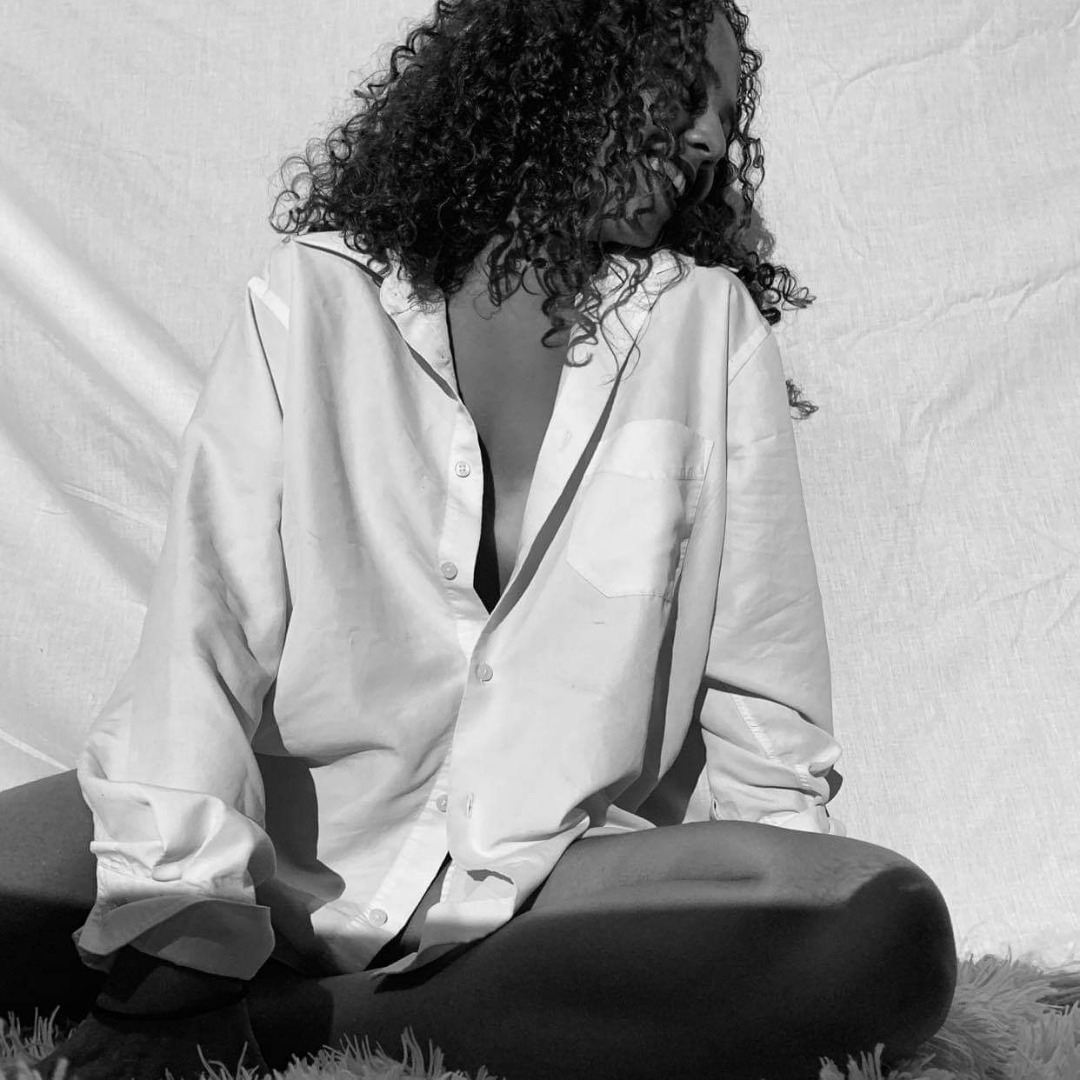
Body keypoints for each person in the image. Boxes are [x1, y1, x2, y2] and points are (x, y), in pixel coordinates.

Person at [1, 2, 958, 1078]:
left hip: (548, 882)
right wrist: (177, 929)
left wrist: (768, 928)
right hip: (280, 839)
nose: (707, 140)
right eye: (684, 93)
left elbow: (760, 691)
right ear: (556, 70)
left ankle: (294, 1026)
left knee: (881, 931)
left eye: (725, 118)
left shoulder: (707, 326)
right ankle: (285, 989)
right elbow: (204, 631)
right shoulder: (316, 297)